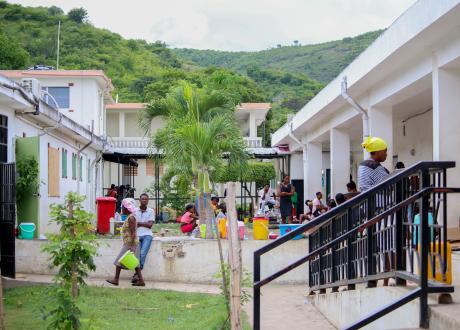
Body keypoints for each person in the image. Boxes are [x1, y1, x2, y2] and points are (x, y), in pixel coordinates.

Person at [106, 198, 145, 287]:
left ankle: (116, 280)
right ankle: (141, 281)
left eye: (123, 207)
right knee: (135, 263)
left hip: (130, 243)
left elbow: (133, 232)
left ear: (126, 208)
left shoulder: (131, 218)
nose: (122, 209)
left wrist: (131, 247)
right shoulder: (131, 217)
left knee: (119, 260)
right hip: (131, 243)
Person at [132, 193, 154, 283]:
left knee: (142, 253)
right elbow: (132, 224)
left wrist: (139, 223)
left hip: (147, 235)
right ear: (139, 200)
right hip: (137, 235)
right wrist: (143, 223)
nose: (144, 200)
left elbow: (150, 225)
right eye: (143, 199)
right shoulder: (135, 211)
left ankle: (137, 274)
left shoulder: (151, 211)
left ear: (148, 201)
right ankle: (137, 275)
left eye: (146, 199)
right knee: (136, 255)